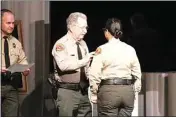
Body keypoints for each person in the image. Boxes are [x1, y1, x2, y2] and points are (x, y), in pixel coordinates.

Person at [88, 18, 142, 117]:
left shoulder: (102, 50)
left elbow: (94, 73)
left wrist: (94, 92)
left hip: (109, 92)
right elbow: (137, 73)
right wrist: (135, 90)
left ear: (107, 32)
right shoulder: (130, 49)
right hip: (127, 92)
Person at [51, 12, 93, 117]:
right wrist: (84, 61)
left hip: (83, 92)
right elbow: (63, 65)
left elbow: (86, 67)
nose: (85, 31)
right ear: (72, 27)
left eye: (86, 27)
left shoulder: (83, 44)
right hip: (67, 92)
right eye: (82, 27)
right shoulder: (61, 44)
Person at [1, 9, 30, 116]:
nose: (12, 26)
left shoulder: (15, 42)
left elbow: (22, 60)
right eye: (8, 23)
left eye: (13, 23)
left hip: (11, 86)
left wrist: (25, 69)